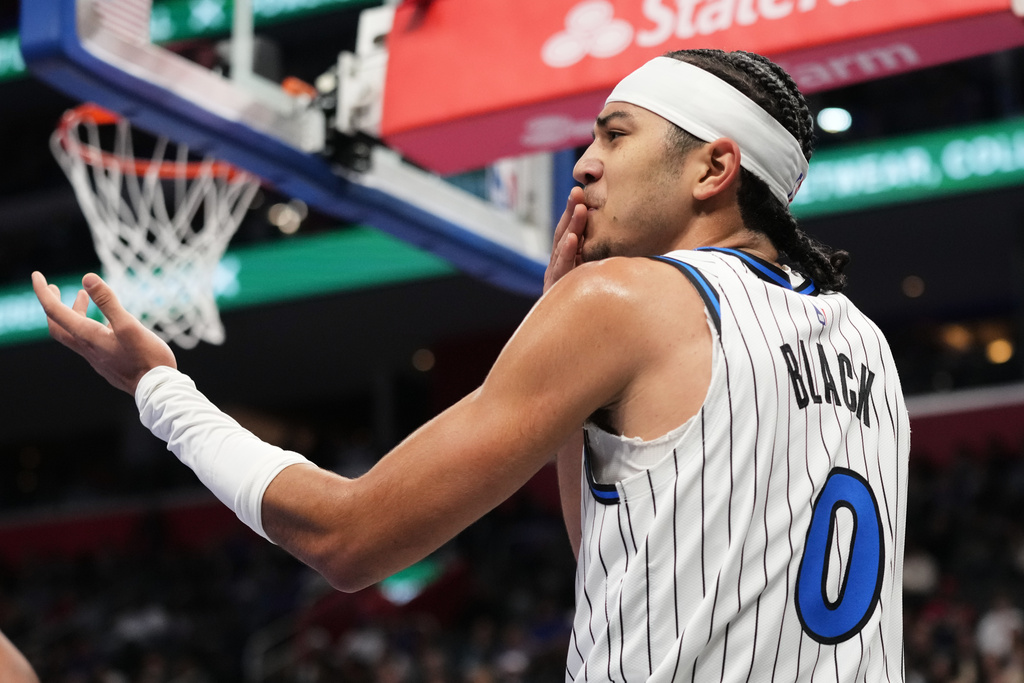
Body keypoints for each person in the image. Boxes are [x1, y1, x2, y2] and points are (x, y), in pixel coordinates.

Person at [33, 48, 909, 681]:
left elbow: (349, 537)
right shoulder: (862, 339)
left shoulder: (632, 300)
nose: (585, 163)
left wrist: (159, 389)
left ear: (714, 166)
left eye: (616, 134)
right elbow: (618, 555)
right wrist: (566, 364)